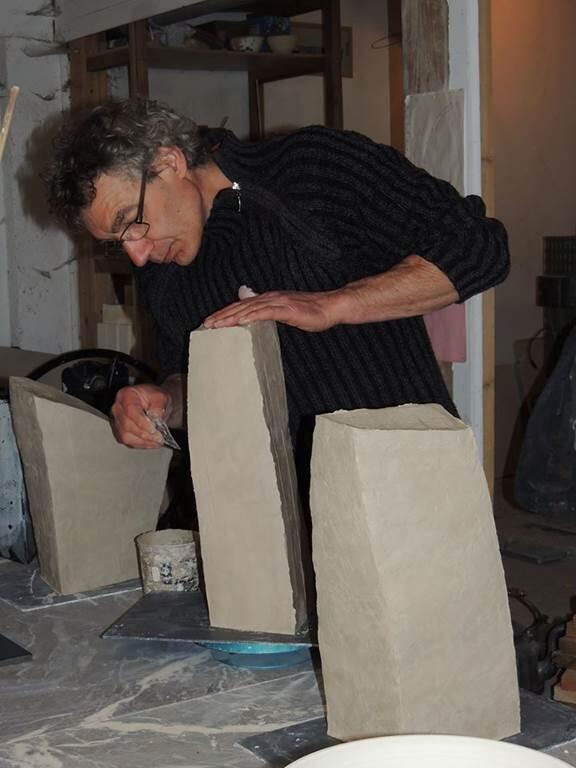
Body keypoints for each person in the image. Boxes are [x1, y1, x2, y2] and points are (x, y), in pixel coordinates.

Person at [46, 98, 509, 468]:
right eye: (117, 243)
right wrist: (164, 403)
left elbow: (479, 247)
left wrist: (333, 305)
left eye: (132, 221)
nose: (137, 254)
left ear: (169, 163)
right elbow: (192, 378)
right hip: (271, 511)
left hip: (407, 472)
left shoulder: (310, 168)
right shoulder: (160, 270)